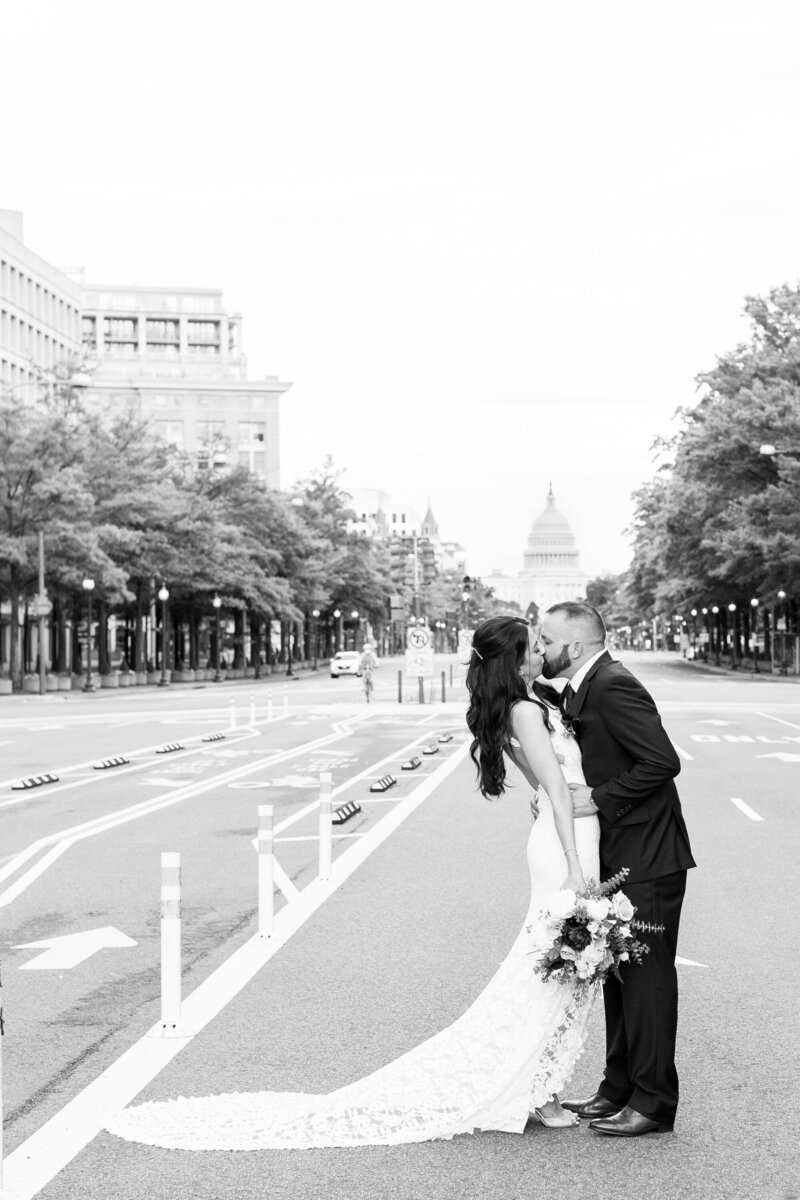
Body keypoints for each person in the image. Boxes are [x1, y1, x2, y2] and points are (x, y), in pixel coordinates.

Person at [105, 615, 599, 1151]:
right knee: (554, 966)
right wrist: (573, 861)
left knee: (558, 962)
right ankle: (540, 1090)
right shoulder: (526, 708)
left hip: (564, 831)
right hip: (565, 844)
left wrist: (565, 800)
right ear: (512, 660)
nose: (538, 655)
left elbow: (541, 786)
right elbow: (549, 785)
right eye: (531, 648)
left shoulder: (518, 707)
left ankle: (541, 1084)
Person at [537, 602, 695, 1138]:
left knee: (647, 980)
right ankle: (617, 1087)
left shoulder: (612, 684)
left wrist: (596, 800)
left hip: (649, 856)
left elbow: (661, 762)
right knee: (619, 974)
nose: (539, 649)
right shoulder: (586, 684)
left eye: (545, 640)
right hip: (622, 855)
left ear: (574, 647)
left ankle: (653, 1102)